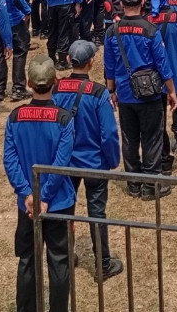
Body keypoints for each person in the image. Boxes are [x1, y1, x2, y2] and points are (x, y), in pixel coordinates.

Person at [3, 54, 76, 312]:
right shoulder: (64, 119)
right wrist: (43, 197)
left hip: (28, 205)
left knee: (27, 260)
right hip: (58, 202)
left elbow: (10, 159)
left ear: (29, 83)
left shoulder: (15, 117)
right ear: (55, 81)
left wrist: (28, 195)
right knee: (59, 262)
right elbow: (60, 164)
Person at [51, 39, 124, 278]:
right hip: (94, 162)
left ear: (69, 60)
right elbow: (109, 133)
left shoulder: (57, 89)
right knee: (97, 212)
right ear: (91, 62)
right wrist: (112, 160)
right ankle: (103, 263)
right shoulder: (99, 93)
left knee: (65, 210)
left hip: (66, 163)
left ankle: (64, 256)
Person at [103, 0, 177, 199]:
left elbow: (109, 65)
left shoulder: (112, 31)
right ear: (142, 2)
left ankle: (133, 183)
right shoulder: (150, 30)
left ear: (121, 4)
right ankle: (151, 185)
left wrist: (111, 90)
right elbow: (162, 64)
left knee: (129, 139)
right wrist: (171, 91)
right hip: (150, 94)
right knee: (152, 139)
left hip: (125, 93)